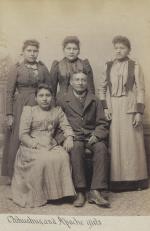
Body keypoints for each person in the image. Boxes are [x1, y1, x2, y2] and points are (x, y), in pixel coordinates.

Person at [11, 83, 75, 208]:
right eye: (41, 96)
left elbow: (66, 126)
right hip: (30, 146)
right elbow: (23, 135)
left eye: (47, 95)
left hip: (51, 144)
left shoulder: (57, 111)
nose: (45, 98)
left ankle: (60, 194)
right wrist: (35, 145)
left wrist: (69, 137)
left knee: (63, 157)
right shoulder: (29, 111)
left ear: (52, 97)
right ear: (36, 98)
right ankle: (41, 195)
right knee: (42, 159)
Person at [99, 35, 148, 192]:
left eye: (123, 48)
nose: (119, 50)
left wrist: (139, 112)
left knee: (133, 144)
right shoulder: (108, 66)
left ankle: (137, 179)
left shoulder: (135, 65)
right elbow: (102, 89)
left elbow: (140, 89)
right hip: (114, 107)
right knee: (117, 143)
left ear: (129, 50)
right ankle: (118, 181)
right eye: (117, 47)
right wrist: (105, 107)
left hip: (130, 106)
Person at [58, 72, 110, 208]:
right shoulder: (63, 100)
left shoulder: (95, 100)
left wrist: (97, 135)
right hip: (73, 136)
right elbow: (57, 123)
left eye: (83, 80)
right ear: (71, 82)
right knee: (76, 148)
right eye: (77, 80)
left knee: (101, 148)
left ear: (87, 83)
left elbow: (102, 123)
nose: (80, 82)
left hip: (91, 135)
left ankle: (95, 190)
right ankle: (80, 190)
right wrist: (65, 138)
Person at [1, 39, 51, 180]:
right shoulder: (16, 68)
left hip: (39, 104)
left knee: (36, 134)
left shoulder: (42, 68)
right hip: (20, 106)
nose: (32, 53)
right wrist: (9, 114)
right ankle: (15, 175)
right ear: (23, 52)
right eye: (29, 50)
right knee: (18, 137)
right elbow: (9, 93)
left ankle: (36, 174)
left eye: (35, 51)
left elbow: (50, 87)